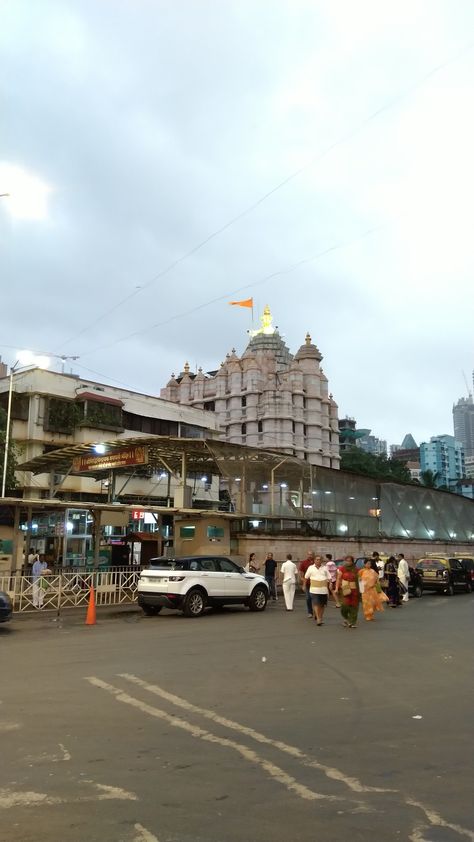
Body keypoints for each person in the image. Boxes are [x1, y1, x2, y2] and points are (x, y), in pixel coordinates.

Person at [305, 555, 331, 625]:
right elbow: (306, 577)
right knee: (316, 603)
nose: (318, 561)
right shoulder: (310, 568)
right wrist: (304, 586)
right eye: (317, 559)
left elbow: (329, 577)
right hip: (314, 589)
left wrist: (330, 584)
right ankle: (318, 619)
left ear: (321, 561)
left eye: (319, 559)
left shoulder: (325, 568)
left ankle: (320, 617)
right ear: (314, 560)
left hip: (323, 589)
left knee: (322, 605)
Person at [335, 555, 360, 628]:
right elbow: (338, 579)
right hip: (345, 590)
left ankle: (352, 622)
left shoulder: (356, 569)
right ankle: (346, 618)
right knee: (344, 606)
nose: (348, 562)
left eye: (350, 561)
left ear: (352, 562)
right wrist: (336, 588)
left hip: (355, 590)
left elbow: (360, 580)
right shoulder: (342, 569)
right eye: (347, 561)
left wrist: (362, 589)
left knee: (354, 606)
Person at [299, 551, 315, 617]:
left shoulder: (316, 562)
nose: (309, 556)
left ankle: (316, 611)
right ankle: (310, 612)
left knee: (315, 598)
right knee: (308, 598)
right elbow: (301, 572)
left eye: (311, 554)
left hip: (315, 584)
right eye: (308, 554)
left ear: (313, 555)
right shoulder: (304, 562)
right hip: (307, 583)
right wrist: (302, 580)